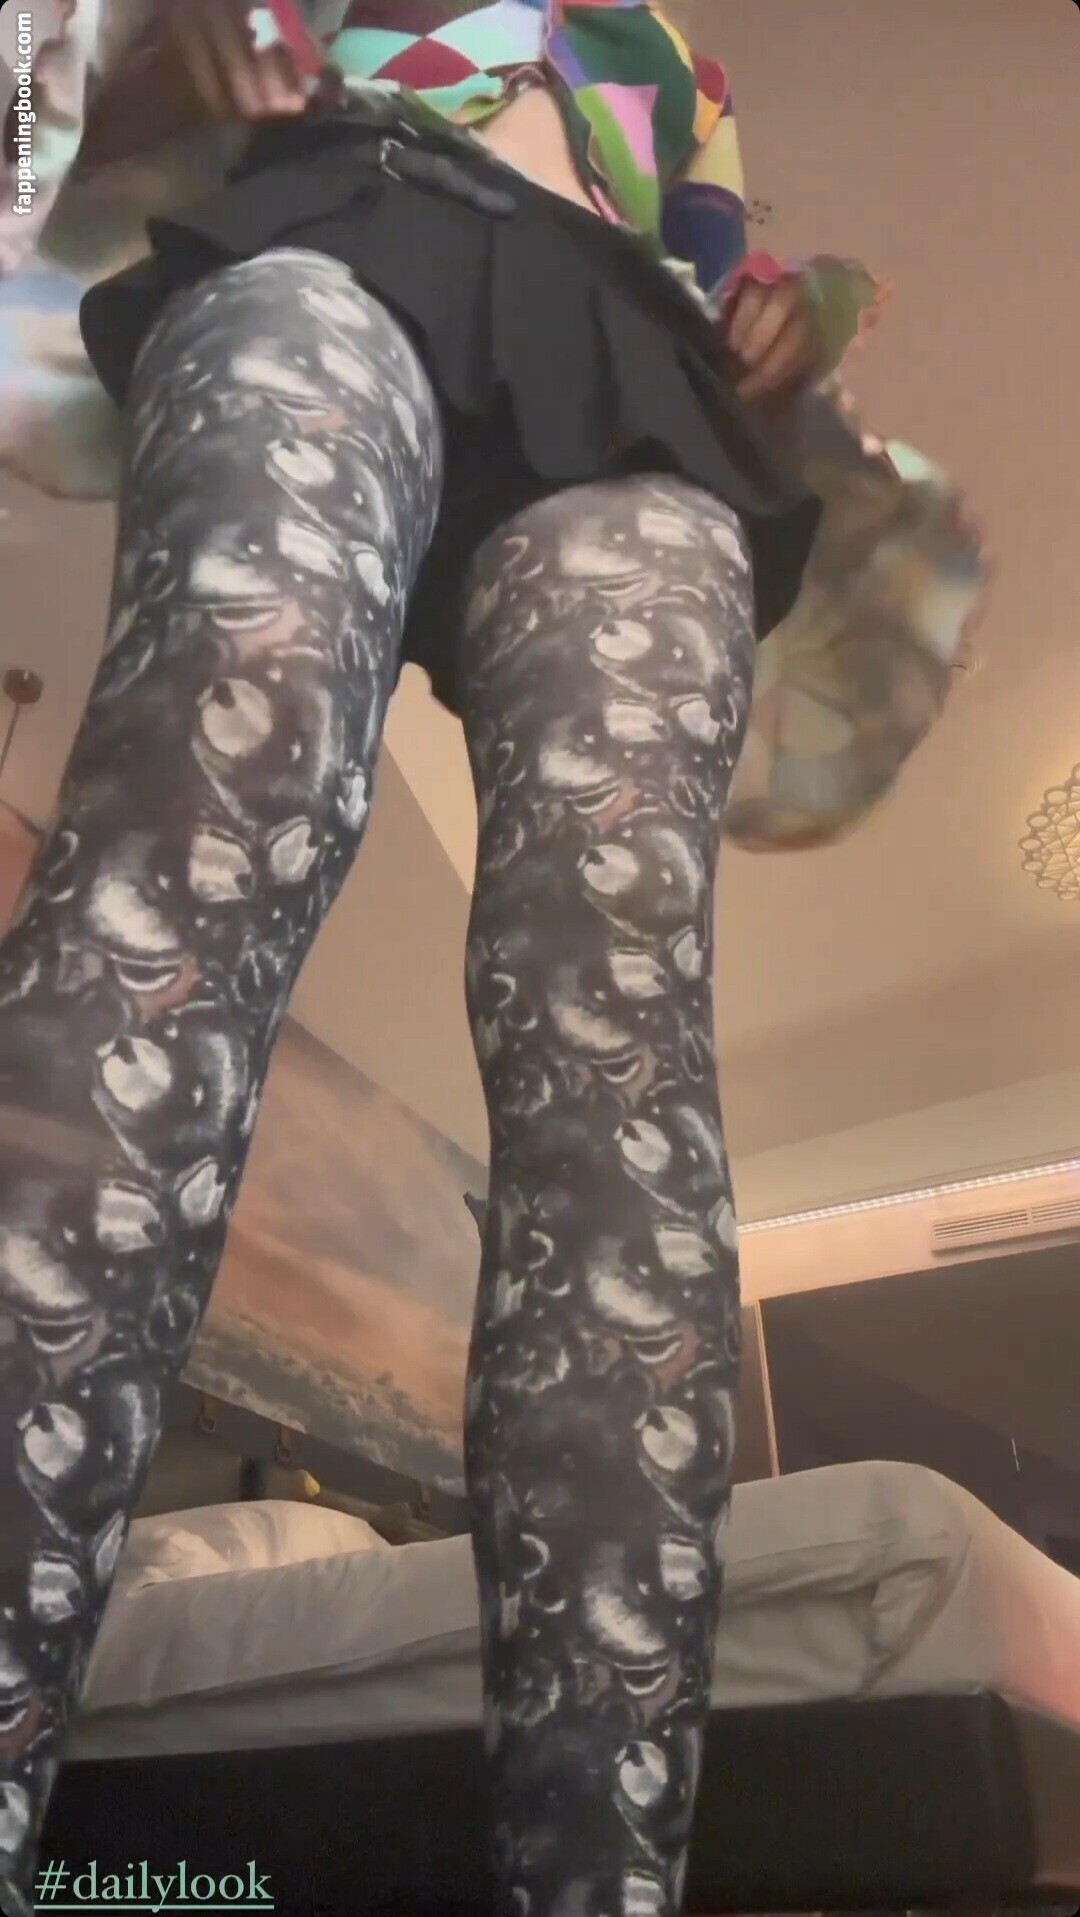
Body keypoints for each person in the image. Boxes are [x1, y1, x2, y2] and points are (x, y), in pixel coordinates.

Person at [0, 4, 985, 1913]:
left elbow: (724, 262)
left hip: (626, 350)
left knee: (619, 1013)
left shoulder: (667, 60)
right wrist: (138, 71)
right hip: (332, 209)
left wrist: (774, 323)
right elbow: (53, 81)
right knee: (214, 791)